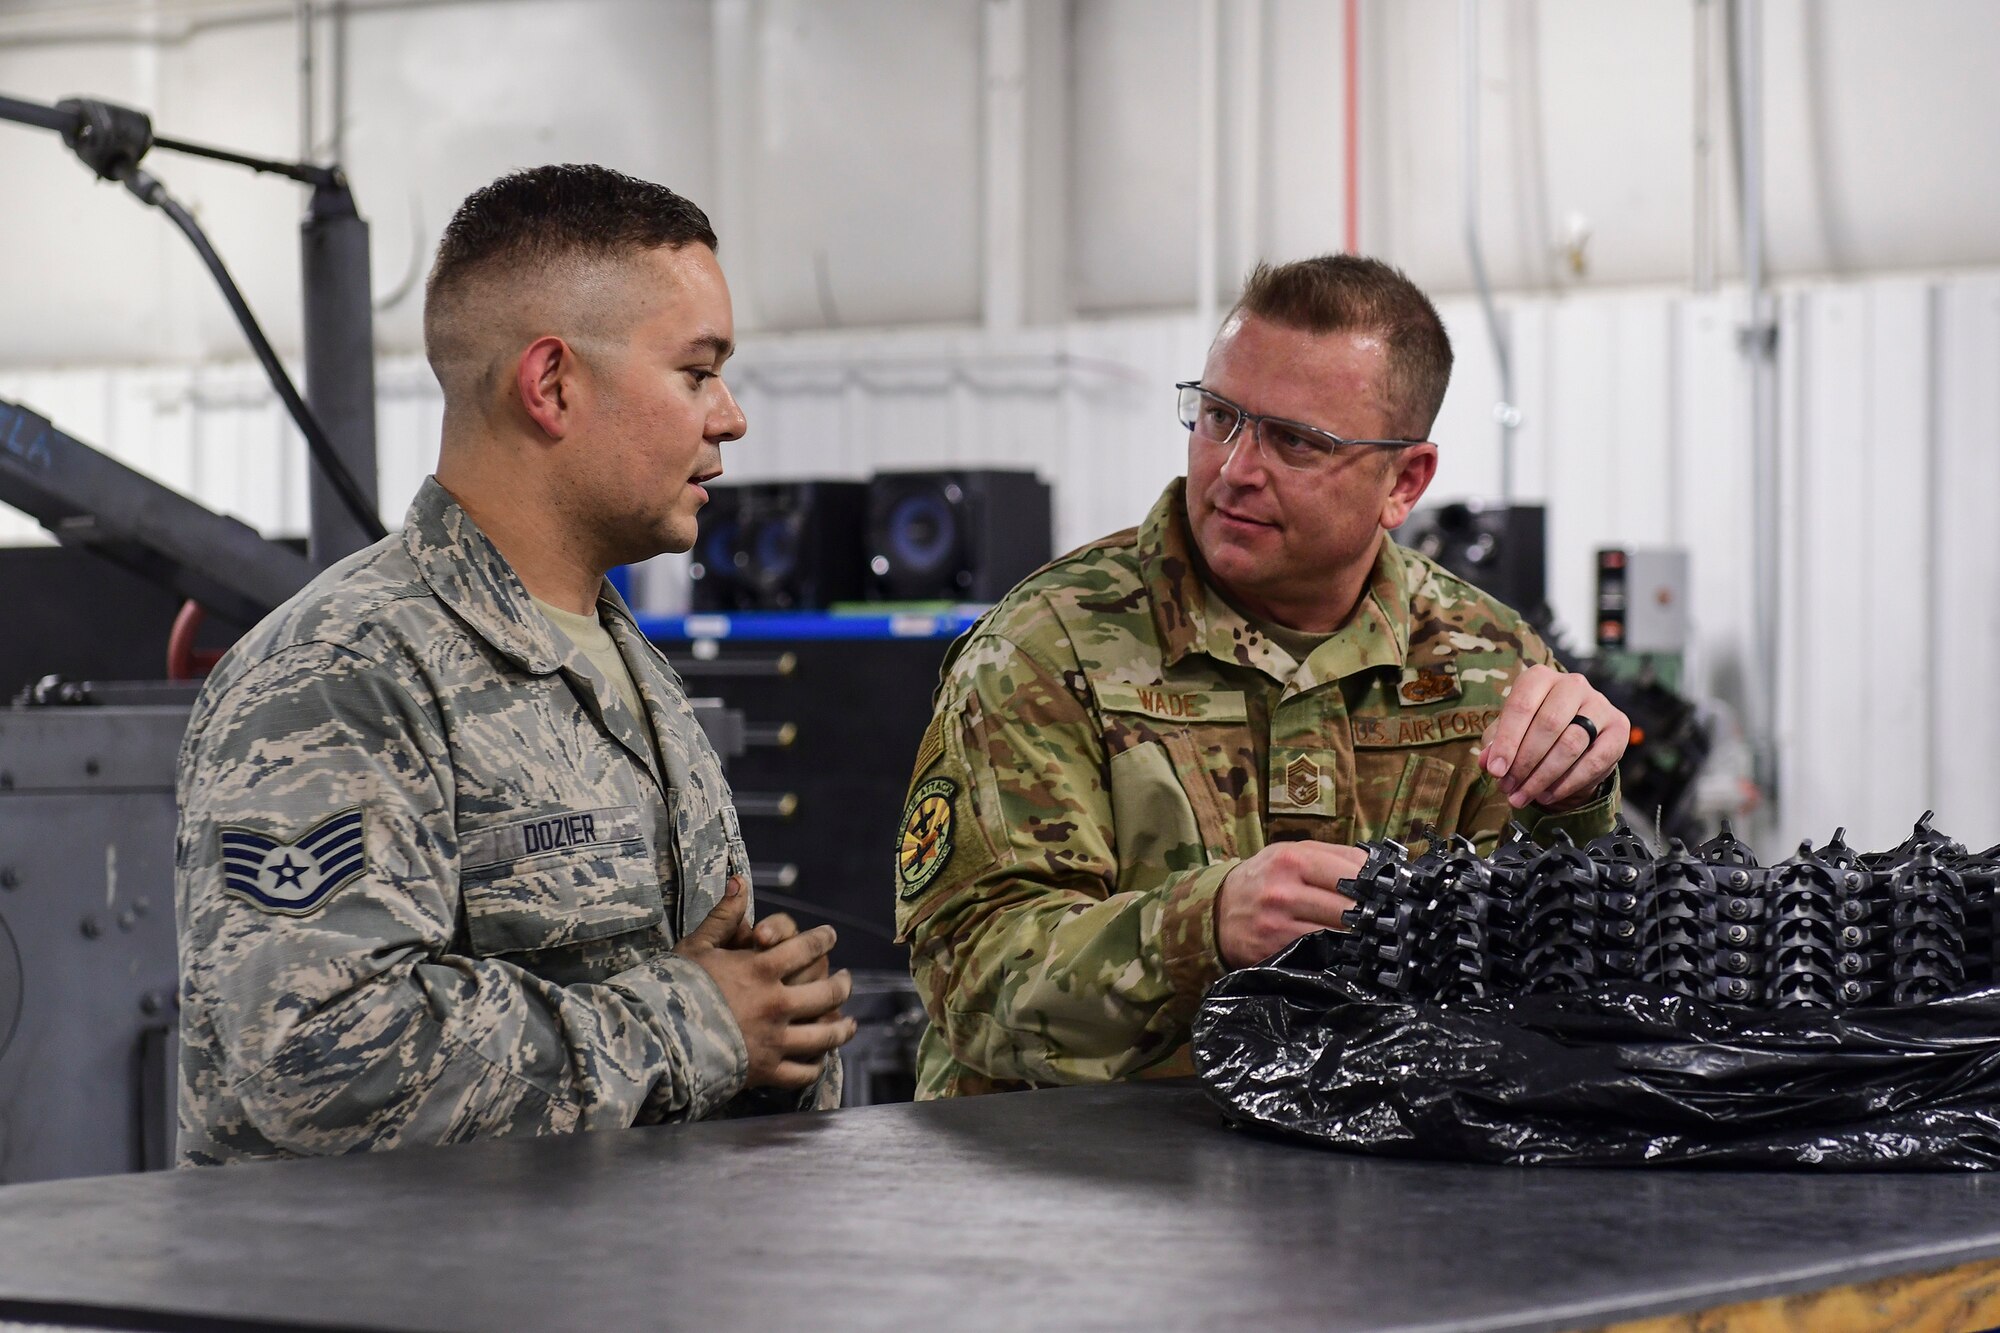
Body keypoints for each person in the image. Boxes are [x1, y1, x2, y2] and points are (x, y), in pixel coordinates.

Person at [176, 165, 854, 1165]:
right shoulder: (341, 673)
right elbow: (316, 1058)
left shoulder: (624, 666)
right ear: (551, 385)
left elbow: (711, 1015)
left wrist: (777, 1032)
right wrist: (699, 1023)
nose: (729, 417)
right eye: (696, 371)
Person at [896, 255, 1629, 1098]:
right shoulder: (1045, 649)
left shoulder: (1487, 663)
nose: (1236, 468)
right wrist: (1199, 927)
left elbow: (1552, 991)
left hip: (1371, 1191)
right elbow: (970, 981)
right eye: (1219, 417)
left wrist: (1577, 807)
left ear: (1405, 481)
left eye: (1297, 441)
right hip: (1079, 1185)